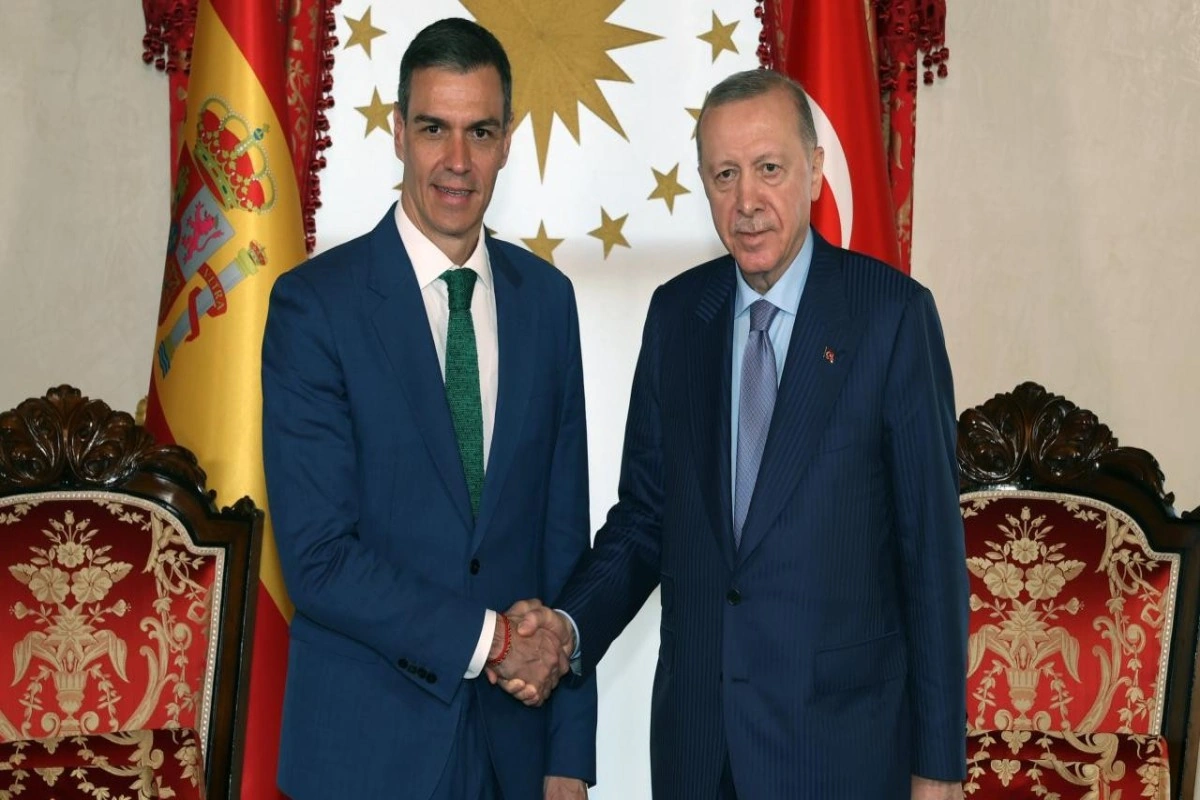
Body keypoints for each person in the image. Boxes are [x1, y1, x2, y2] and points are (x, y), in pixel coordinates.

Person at [508, 69, 968, 799]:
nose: (747, 200)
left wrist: (938, 768)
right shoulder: (677, 315)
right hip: (699, 751)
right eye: (725, 175)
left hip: (839, 755)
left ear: (815, 169)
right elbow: (645, 520)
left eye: (769, 169)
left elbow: (932, 559)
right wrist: (566, 627)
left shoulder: (890, 317)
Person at [261, 17, 594, 800]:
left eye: (481, 131)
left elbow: (563, 539)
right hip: (365, 755)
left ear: (507, 140)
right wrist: (494, 640)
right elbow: (318, 559)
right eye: (434, 128)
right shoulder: (315, 306)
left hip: (517, 751)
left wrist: (569, 755)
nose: (457, 160)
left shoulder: (547, 301)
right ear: (398, 132)